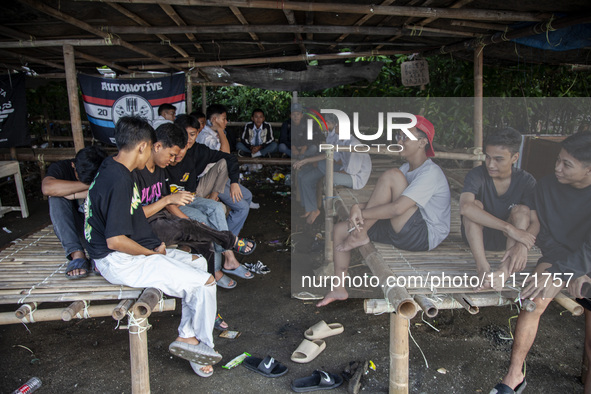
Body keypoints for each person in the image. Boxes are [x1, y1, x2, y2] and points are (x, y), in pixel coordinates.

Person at [84, 116, 222, 377]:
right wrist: (152, 253)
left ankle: (187, 336)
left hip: (128, 252)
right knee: (205, 282)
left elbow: (130, 220)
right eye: (150, 148)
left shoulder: (111, 167)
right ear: (142, 147)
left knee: (199, 263)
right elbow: (115, 240)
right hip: (118, 260)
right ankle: (202, 345)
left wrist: (155, 246)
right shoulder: (120, 180)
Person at [490, 132, 591, 394]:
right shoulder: (547, 186)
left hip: (585, 261)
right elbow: (544, 234)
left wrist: (577, 271)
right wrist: (562, 271)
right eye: (558, 160)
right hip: (559, 258)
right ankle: (514, 376)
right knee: (531, 301)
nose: (557, 168)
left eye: (566, 164)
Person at [317, 115, 451, 307]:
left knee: (391, 176)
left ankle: (359, 235)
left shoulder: (430, 172)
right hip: (404, 226)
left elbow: (398, 208)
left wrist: (362, 215)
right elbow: (382, 203)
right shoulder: (406, 168)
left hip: (424, 234)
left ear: (422, 142)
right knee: (340, 230)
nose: (399, 141)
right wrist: (357, 207)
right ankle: (339, 288)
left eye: (405, 137)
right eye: (398, 136)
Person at [135, 122, 256, 295]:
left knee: (215, 209)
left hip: (175, 206)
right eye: (172, 154)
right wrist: (187, 221)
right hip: (162, 217)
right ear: (156, 146)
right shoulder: (142, 171)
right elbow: (160, 205)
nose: (174, 158)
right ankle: (220, 260)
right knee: (201, 224)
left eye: (179, 152)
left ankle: (225, 258)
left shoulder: (164, 165)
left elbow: (185, 194)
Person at [168, 115, 255, 284]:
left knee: (216, 208)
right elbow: (167, 200)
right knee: (205, 218)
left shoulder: (192, 153)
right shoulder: (164, 158)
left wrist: (231, 184)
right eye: (184, 136)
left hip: (188, 197)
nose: (188, 141)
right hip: (172, 203)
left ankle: (228, 255)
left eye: (193, 135)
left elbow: (191, 189)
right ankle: (217, 266)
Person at [460, 127, 537, 288]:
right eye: (487, 157)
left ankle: (504, 271)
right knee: (474, 206)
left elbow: (536, 222)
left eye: (498, 159)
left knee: (522, 211)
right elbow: (465, 207)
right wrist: (510, 228)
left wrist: (523, 246)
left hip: (508, 242)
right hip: (478, 237)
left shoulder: (526, 181)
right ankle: (483, 268)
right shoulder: (476, 175)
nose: (490, 164)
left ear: (515, 157)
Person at [293, 112, 372, 225]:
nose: (336, 127)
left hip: (356, 178)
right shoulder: (341, 140)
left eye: (338, 126)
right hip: (346, 170)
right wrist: (307, 161)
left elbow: (351, 171)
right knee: (307, 178)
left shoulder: (353, 144)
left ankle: (329, 211)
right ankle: (312, 209)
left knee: (330, 177)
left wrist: (331, 173)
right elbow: (332, 157)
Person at [42, 146, 108, 279]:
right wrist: (91, 185)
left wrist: (74, 194)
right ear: (73, 165)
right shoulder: (62, 168)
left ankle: (99, 253)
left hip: (102, 234)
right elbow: (47, 188)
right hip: (78, 230)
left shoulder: (108, 167)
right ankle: (77, 254)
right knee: (56, 196)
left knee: (108, 193)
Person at [195, 104, 252, 235]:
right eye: (224, 119)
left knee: (247, 196)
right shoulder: (205, 137)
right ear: (214, 119)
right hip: (208, 180)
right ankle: (227, 241)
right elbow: (226, 153)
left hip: (220, 176)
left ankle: (230, 228)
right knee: (242, 207)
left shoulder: (213, 133)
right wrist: (220, 130)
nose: (226, 122)